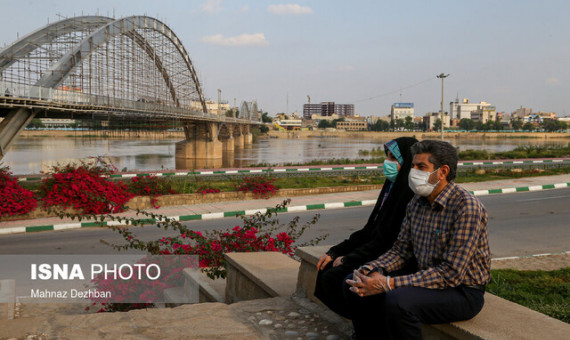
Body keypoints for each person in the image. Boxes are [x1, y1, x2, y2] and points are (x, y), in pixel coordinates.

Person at [343, 140, 491, 340]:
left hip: (461, 291)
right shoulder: (416, 203)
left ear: (443, 171)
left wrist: (389, 282)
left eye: (421, 167)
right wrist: (372, 268)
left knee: (399, 301)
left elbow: (451, 273)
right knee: (354, 282)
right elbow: (400, 251)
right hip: (426, 279)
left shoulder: (466, 207)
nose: (413, 172)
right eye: (413, 166)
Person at [314, 136, 418, 318]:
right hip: (374, 250)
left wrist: (349, 259)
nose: (387, 163)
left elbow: (388, 240)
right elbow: (369, 230)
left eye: (393, 159)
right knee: (327, 269)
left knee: (339, 278)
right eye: (387, 157)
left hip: (389, 257)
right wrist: (335, 251)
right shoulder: (390, 188)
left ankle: (366, 327)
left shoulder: (408, 195)